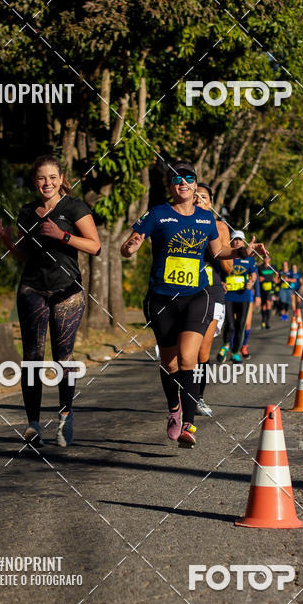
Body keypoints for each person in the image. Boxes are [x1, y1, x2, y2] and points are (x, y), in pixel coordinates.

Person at [121, 162, 266, 448]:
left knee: (189, 358)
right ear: (171, 185)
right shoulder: (158, 214)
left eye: (189, 178)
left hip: (196, 297)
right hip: (162, 299)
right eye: (177, 179)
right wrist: (130, 246)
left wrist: (244, 250)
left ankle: (189, 424)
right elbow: (129, 245)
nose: (183, 183)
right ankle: (173, 407)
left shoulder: (205, 218)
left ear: (194, 183)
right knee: (169, 362)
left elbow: (218, 251)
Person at [0, 155, 100, 448]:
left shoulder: (74, 207)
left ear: (61, 178)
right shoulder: (27, 212)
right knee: (32, 358)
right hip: (32, 289)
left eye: (53, 177)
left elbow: (95, 246)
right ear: (34, 181)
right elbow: (27, 255)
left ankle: (65, 416)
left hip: (67, 291)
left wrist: (63, 235)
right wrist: (8, 243)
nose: (47, 183)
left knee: (62, 357)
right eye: (42, 178)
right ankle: (32, 424)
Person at [193, 183, 229, 417]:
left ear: (211, 203)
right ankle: (181, 394)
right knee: (181, 352)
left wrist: (224, 247)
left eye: (203, 197)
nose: (198, 200)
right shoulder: (179, 221)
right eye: (195, 196)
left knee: (202, 352)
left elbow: (228, 266)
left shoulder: (219, 226)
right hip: (181, 289)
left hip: (211, 290)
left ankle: (198, 396)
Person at [219, 231, 258, 363]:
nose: (237, 242)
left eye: (239, 240)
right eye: (234, 240)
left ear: (243, 242)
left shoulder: (250, 258)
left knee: (240, 325)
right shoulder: (225, 256)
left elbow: (254, 274)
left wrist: (251, 282)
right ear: (230, 242)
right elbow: (218, 274)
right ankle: (225, 346)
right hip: (229, 295)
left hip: (244, 296)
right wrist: (221, 282)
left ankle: (235, 352)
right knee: (229, 324)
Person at [259, 262, 278, 329]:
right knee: (263, 305)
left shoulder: (273, 266)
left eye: (267, 258)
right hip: (263, 289)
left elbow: (277, 273)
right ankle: (263, 320)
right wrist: (259, 278)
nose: (266, 259)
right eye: (265, 258)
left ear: (269, 260)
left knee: (268, 303)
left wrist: (276, 279)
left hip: (270, 289)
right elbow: (257, 276)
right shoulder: (260, 267)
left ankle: (267, 322)